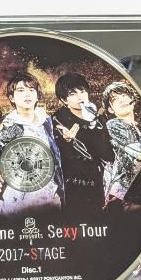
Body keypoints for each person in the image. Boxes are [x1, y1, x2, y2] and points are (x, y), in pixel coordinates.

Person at [0, 74, 64, 214]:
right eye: (21, 90)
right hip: (16, 197)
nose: (27, 94)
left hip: (48, 194)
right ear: (12, 97)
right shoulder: (9, 125)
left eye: (31, 90)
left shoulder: (48, 123)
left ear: (37, 96)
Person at [52, 73, 112, 212]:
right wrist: (66, 140)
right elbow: (59, 154)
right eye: (73, 94)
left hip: (99, 181)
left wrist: (92, 123)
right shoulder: (58, 119)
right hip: (72, 184)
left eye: (83, 91)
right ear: (64, 100)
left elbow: (106, 153)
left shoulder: (99, 119)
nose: (80, 97)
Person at [103, 81, 141, 211]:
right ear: (110, 109)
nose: (122, 100)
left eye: (125, 96)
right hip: (128, 197)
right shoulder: (114, 125)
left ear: (133, 100)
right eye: (115, 99)